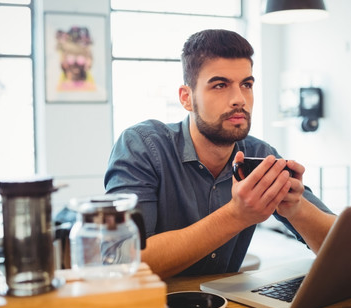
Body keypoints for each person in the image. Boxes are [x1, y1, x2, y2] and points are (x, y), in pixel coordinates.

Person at [104, 29, 336, 279]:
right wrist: (236, 215)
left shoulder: (260, 154)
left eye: (246, 85)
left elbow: (342, 246)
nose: (239, 99)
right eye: (220, 85)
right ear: (186, 98)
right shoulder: (142, 146)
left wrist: (296, 208)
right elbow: (122, 262)